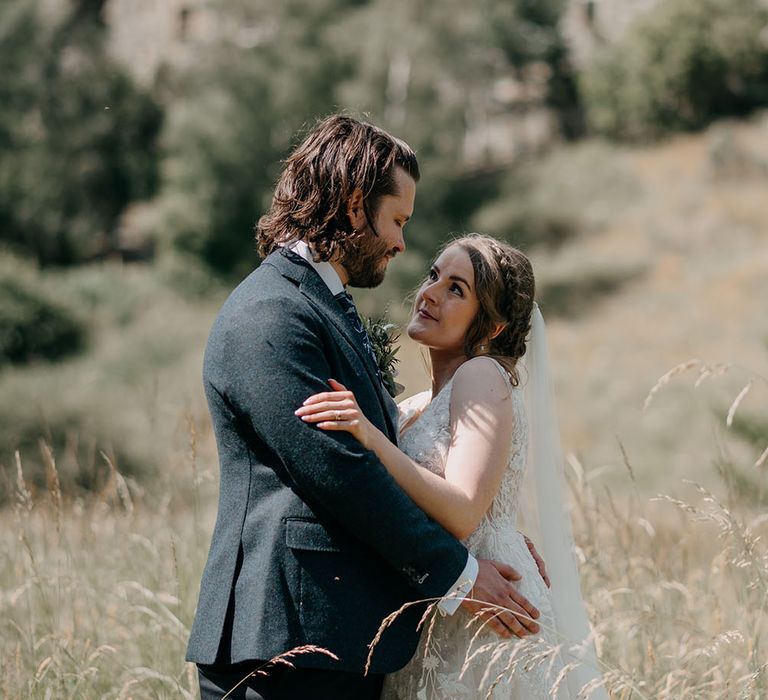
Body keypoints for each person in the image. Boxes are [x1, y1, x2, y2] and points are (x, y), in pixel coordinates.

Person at [185, 115, 548, 700]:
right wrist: (461, 571)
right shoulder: (273, 313)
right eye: (397, 220)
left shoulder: (326, 307)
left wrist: (488, 537)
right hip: (285, 638)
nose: (403, 244)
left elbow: (407, 471)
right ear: (355, 207)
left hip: (344, 639)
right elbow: (340, 471)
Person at [297, 234, 607, 699]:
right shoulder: (421, 404)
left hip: (481, 623)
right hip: (440, 611)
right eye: (434, 275)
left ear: (493, 327)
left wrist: (371, 437)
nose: (431, 293)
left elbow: (463, 511)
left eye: (457, 289)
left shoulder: (481, 375)